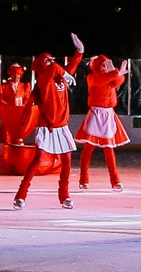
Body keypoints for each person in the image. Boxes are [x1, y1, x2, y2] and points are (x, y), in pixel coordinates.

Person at [14, 37, 86, 208]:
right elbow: (56, 69)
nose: (52, 61)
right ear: (41, 65)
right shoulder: (43, 81)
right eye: (47, 59)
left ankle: (64, 195)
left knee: (67, 160)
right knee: (38, 159)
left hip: (61, 126)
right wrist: (65, 73)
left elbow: (68, 68)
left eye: (52, 58)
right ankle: (21, 194)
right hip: (46, 126)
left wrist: (80, 52)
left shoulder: (60, 76)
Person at [74, 52, 130, 190]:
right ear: (98, 65)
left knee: (109, 149)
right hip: (96, 113)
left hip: (108, 113)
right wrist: (115, 72)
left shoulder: (110, 77)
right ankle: (83, 179)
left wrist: (116, 73)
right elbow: (103, 80)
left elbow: (118, 81)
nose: (106, 66)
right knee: (88, 148)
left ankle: (115, 180)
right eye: (103, 64)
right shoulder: (92, 77)